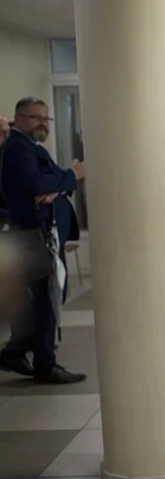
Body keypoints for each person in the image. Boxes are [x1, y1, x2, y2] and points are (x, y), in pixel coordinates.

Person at [0, 97, 86, 384]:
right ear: (19, 117)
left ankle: (20, 352)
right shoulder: (17, 147)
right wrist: (71, 175)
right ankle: (43, 364)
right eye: (36, 117)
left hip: (44, 233)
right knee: (46, 299)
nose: (43, 123)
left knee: (47, 299)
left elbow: (48, 181)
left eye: (46, 118)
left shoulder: (32, 147)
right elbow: (38, 184)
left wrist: (59, 186)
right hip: (33, 235)